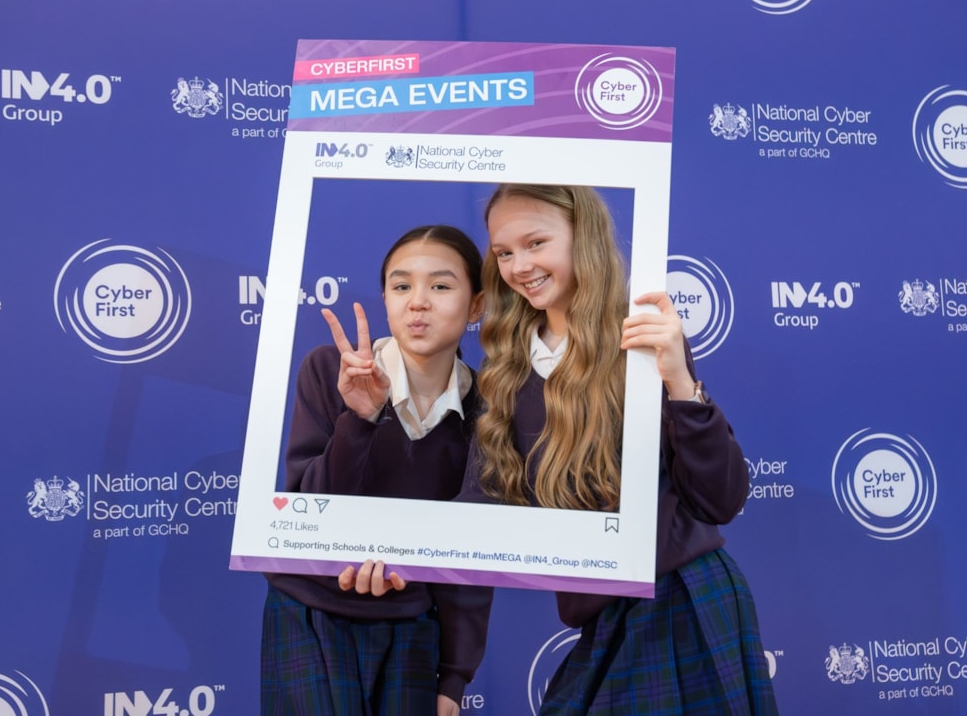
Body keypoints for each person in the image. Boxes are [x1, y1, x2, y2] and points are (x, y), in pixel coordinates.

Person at [463, 184, 778, 715]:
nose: (520, 265)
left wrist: (679, 381)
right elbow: (479, 509)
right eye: (504, 252)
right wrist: (393, 553)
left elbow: (720, 500)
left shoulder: (641, 339)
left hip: (683, 599)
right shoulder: (506, 372)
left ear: (582, 237)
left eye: (536, 242)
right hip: (600, 616)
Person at [261, 225, 493, 716]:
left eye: (442, 286)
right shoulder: (330, 370)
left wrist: (454, 679)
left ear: (476, 306)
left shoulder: (489, 408)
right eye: (402, 285)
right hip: (311, 610)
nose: (418, 302)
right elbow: (310, 508)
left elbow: (473, 549)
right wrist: (361, 418)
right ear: (385, 297)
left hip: (410, 621)